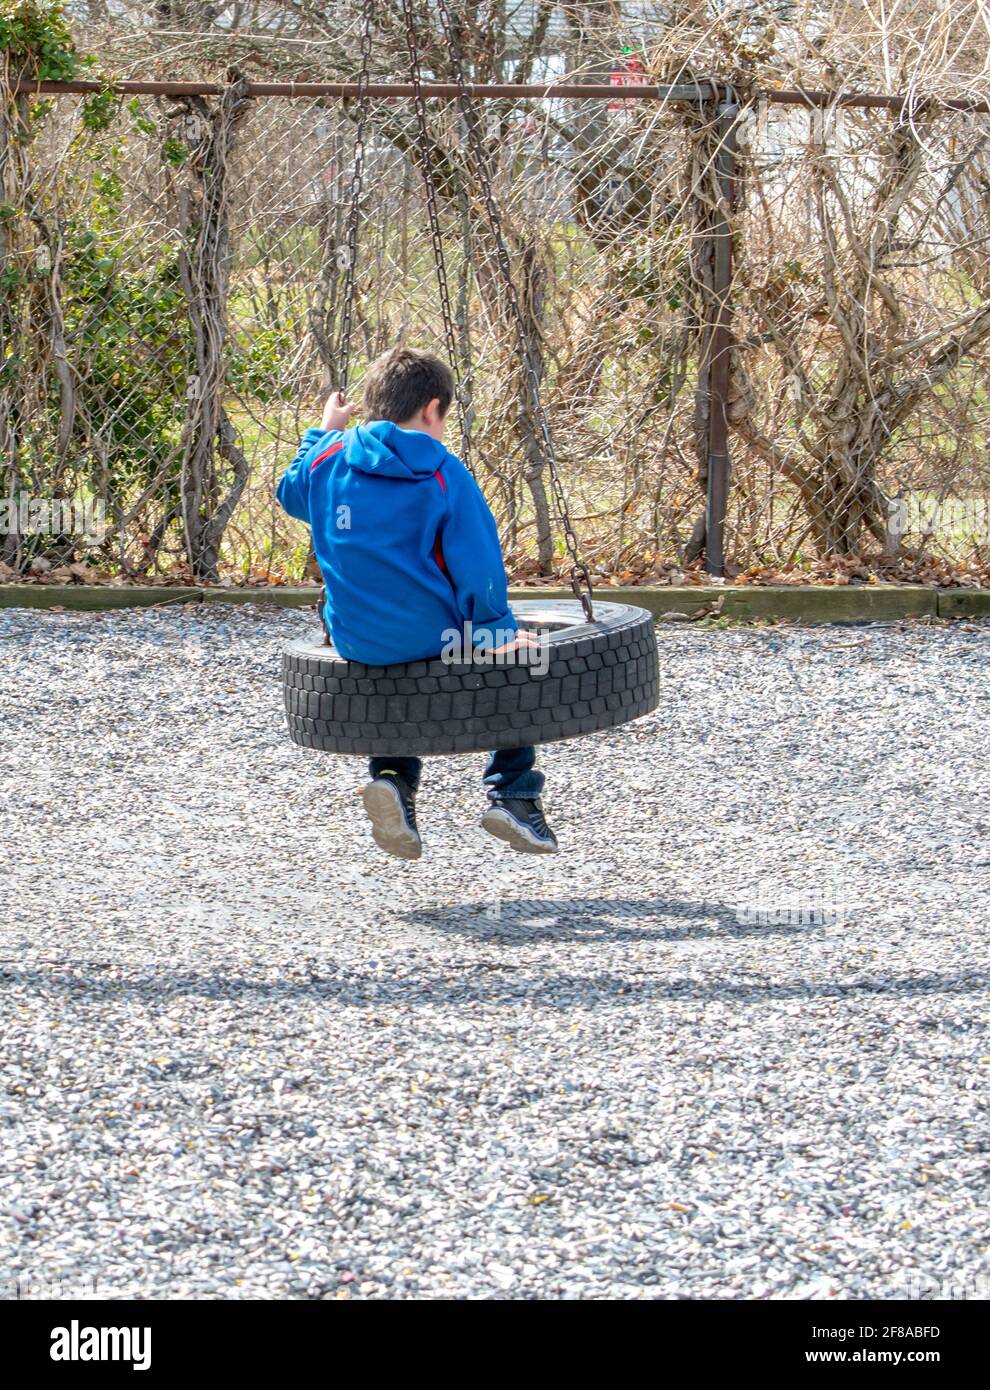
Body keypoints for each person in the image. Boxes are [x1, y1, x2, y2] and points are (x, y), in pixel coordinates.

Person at [276, 346, 557, 861]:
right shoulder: (444, 475)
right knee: (518, 657)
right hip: (432, 636)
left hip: (356, 636)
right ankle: (514, 793)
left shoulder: (326, 459)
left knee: (390, 671)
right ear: (432, 410)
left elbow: (292, 495)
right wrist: (494, 630)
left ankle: (392, 779)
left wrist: (321, 430)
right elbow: (479, 563)